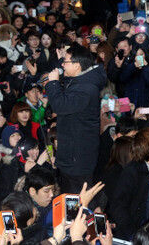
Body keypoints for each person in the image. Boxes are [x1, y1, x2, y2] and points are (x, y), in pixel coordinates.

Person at [45, 45, 107, 193]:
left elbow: (60, 106)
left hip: (77, 159)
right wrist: (61, 59)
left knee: (76, 199)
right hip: (72, 153)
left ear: (77, 65)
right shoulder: (80, 80)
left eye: (65, 62)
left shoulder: (86, 89)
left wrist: (52, 83)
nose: (62, 65)